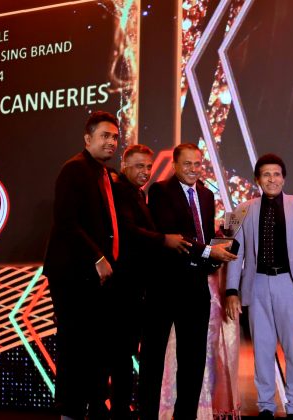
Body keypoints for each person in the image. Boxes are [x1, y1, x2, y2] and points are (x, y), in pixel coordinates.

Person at [138, 143, 236, 420]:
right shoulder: (160, 191)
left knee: (193, 360)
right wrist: (209, 251)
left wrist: (217, 254)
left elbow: (204, 237)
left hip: (196, 286)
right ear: (175, 165)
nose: (194, 169)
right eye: (188, 164)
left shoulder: (206, 194)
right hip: (164, 286)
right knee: (153, 358)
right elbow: (174, 236)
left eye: (198, 163)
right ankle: (147, 415)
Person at [225, 153, 293, 419]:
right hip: (257, 284)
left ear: (284, 178)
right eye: (266, 174)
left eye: (276, 174)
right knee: (262, 350)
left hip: (291, 284)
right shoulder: (242, 209)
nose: (272, 179)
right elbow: (235, 253)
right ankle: (266, 405)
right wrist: (232, 290)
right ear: (257, 179)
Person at [43, 110, 121, 420]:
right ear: (88, 139)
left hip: (97, 279)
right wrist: (97, 257)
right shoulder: (74, 169)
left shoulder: (105, 174)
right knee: (74, 348)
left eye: (114, 137)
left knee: (96, 350)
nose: (111, 141)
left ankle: (91, 408)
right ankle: (70, 413)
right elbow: (66, 222)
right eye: (104, 136)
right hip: (74, 275)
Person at [108, 144, 190, 419]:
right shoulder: (120, 191)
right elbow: (127, 231)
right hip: (122, 289)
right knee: (121, 357)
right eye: (139, 166)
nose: (145, 172)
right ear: (124, 166)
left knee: (126, 355)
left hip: (135, 288)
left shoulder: (137, 193)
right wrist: (164, 239)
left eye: (148, 167)